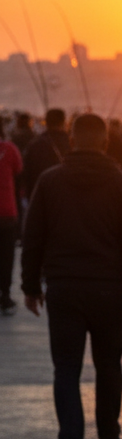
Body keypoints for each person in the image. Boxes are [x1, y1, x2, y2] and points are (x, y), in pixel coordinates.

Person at [20, 112, 122, 439]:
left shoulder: (50, 181)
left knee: (66, 368)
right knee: (108, 366)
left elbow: (33, 238)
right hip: (107, 288)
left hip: (63, 288)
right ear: (106, 142)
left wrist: (30, 286)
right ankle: (108, 438)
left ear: (72, 140)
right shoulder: (121, 183)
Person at [0, 119, 24, 315]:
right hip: (7, 211)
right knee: (7, 256)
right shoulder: (9, 149)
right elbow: (19, 171)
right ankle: (5, 295)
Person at [22, 108, 69, 201]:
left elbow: (27, 174)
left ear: (46, 122)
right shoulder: (71, 143)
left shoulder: (34, 144)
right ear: (63, 122)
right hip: (66, 197)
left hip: (41, 196)